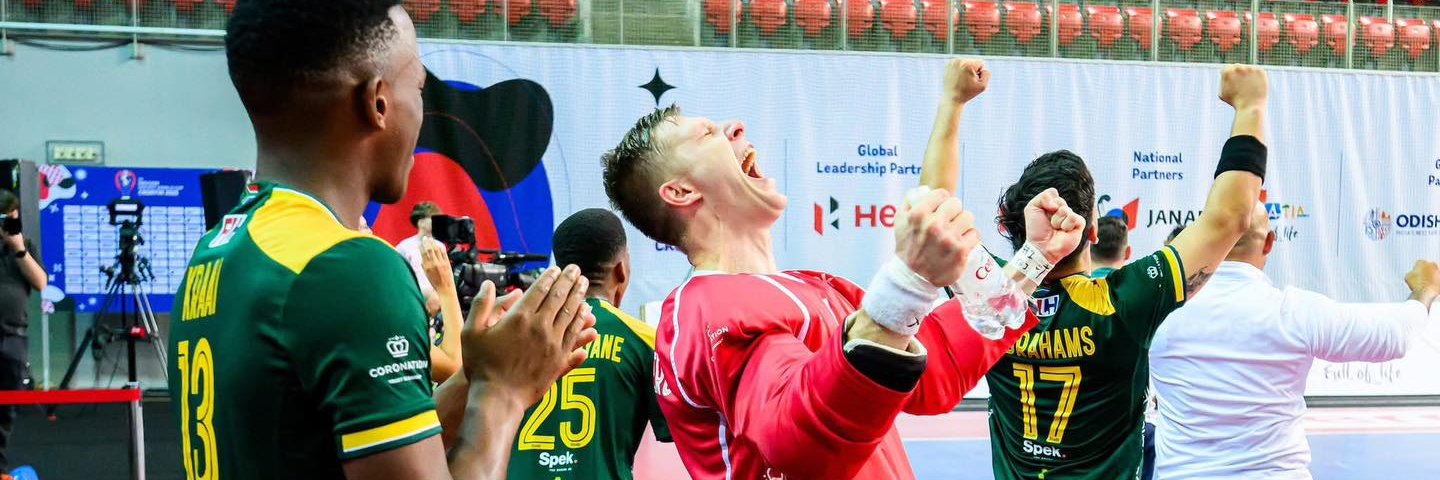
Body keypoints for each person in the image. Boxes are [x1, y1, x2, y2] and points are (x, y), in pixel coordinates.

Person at [168, 2, 596, 479]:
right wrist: (505, 391)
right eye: (419, 89)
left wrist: (474, 378)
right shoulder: (349, 267)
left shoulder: (220, 250)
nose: (423, 111)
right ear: (377, 103)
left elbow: (352, 441)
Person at [602, 59, 1086, 479]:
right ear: (681, 192)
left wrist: (1036, 258)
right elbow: (801, 441)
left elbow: (936, 366)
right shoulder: (700, 311)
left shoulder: (813, 288)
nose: (736, 128)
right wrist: (909, 281)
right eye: (708, 134)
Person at [924, 64, 1272, 479]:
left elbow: (934, 212)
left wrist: (952, 101)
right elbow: (1229, 217)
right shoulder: (1124, 302)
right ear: (1091, 229)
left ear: (1014, 225)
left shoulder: (988, 295)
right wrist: (1250, 106)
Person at [1149, 202, 1440, 479]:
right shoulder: (1294, 311)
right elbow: (1395, 336)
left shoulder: (1156, 313)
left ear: (1205, 235)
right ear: (1269, 243)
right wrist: (1425, 289)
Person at [507, 208, 672, 479]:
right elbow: (686, 435)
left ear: (562, 272)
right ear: (621, 269)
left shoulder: (513, 338)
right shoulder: (645, 340)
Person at [0, 189, 44, 479]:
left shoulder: (25, 246)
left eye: (11, 217)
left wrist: (18, 249)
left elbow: (41, 282)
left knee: (6, 410)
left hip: (14, 337)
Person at [396, 201, 445, 296]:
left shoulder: (440, 246)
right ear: (421, 222)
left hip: (438, 296)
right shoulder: (404, 247)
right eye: (433, 218)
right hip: (414, 296)